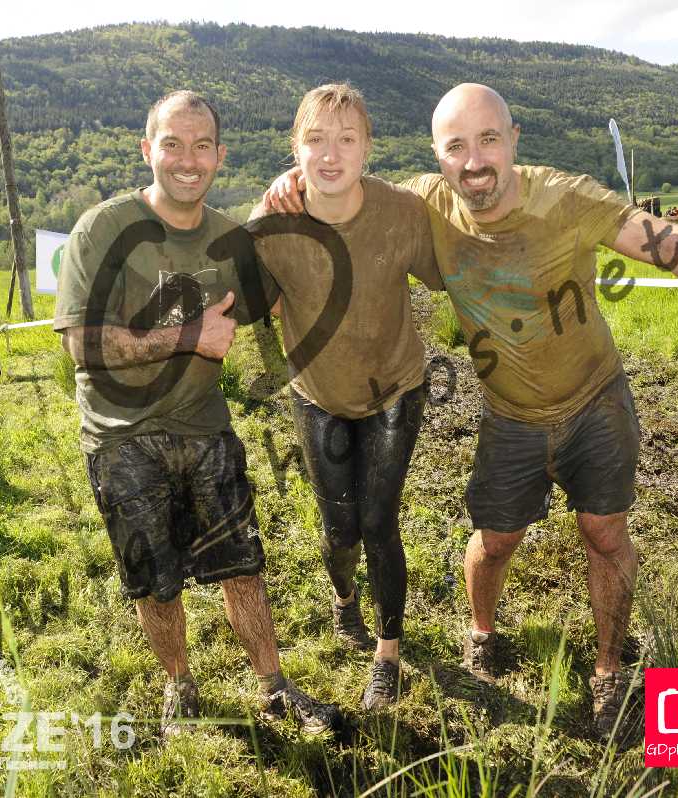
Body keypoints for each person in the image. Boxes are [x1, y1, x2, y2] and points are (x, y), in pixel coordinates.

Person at [264, 82, 678, 738]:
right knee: (495, 541)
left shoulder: (565, 197)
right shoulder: (425, 204)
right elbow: (343, 184)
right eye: (457, 147)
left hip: (595, 402)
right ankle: (481, 634)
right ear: (438, 156)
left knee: (605, 534)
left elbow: (656, 239)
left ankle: (608, 670)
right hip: (509, 413)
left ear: (514, 140)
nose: (474, 161)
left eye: (489, 140)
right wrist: (287, 184)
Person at [53, 90, 339, 738]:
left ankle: (274, 685)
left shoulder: (227, 238)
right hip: (122, 436)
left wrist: (289, 202)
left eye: (202, 146)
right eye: (173, 144)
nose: (188, 160)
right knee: (157, 582)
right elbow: (82, 344)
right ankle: (179, 682)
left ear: (219, 155)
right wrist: (189, 337)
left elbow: (272, 295)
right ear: (147, 150)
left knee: (244, 566)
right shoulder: (102, 229)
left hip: (205, 426)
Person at [248, 84, 439, 710]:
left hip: (394, 390)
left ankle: (388, 654)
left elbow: (455, 266)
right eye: (316, 140)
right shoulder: (274, 222)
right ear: (295, 148)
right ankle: (344, 600)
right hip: (318, 396)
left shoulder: (401, 212)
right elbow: (246, 299)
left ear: (367, 148)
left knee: (379, 521)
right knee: (339, 531)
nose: (331, 155)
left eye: (346, 139)